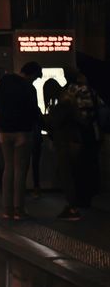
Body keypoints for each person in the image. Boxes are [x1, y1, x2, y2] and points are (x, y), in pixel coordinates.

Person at [0, 61, 42, 220]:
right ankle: (18, 209)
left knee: (8, 168)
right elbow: (33, 111)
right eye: (35, 78)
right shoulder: (29, 88)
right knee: (20, 170)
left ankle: (6, 209)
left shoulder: (4, 81)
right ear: (32, 74)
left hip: (4, 131)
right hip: (22, 132)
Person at [44, 78, 83, 221]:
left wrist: (45, 118)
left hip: (66, 143)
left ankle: (72, 208)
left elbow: (54, 122)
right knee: (69, 174)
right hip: (73, 142)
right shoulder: (68, 100)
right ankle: (72, 206)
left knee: (65, 175)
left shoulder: (63, 104)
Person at [65, 70, 102, 208]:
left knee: (77, 167)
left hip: (76, 134)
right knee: (90, 164)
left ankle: (78, 197)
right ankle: (88, 196)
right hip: (91, 133)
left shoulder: (69, 90)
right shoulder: (89, 90)